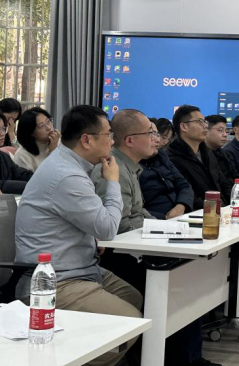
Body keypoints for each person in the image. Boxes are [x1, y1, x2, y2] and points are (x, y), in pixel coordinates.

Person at [15, 105, 142, 366]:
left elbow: (81, 220)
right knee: (130, 323)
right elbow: (108, 229)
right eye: (108, 135)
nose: (112, 141)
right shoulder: (67, 175)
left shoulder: (71, 165)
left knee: (135, 298)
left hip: (81, 268)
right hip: (55, 281)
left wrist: (90, 237)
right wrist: (113, 182)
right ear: (87, 140)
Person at [94, 111, 219, 366]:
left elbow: (139, 213)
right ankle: (178, 360)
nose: (156, 139)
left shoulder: (131, 167)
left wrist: (163, 226)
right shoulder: (111, 170)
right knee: (176, 283)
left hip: (136, 246)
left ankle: (189, 358)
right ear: (130, 140)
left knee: (186, 276)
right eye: (150, 133)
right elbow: (117, 225)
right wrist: (159, 227)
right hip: (116, 256)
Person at [167, 105, 234, 208]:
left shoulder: (207, 152)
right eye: (199, 121)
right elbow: (187, 195)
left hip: (221, 209)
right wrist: (214, 208)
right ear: (184, 126)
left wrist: (234, 202)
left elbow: (223, 183)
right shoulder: (172, 158)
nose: (205, 126)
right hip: (201, 212)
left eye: (205, 122)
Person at [139, 121, 194, 220]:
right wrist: (165, 218)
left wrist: (181, 206)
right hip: (155, 220)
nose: (159, 140)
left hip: (179, 215)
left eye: (168, 139)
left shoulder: (162, 156)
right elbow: (134, 210)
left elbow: (184, 185)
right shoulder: (128, 165)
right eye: (152, 134)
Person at [13, 107, 60, 172]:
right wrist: (53, 151)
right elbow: (48, 175)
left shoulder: (60, 142)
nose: (49, 128)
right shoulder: (22, 155)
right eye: (41, 126)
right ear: (31, 133)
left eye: (48, 121)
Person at [204, 115, 239, 183]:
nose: (225, 135)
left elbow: (236, 177)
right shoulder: (200, 155)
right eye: (220, 130)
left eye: (226, 131)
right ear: (206, 131)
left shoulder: (225, 153)